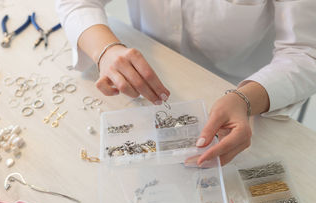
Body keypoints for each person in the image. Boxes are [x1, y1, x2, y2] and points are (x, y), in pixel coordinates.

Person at [56, 0, 316, 165]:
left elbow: (305, 54)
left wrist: (246, 99)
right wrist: (106, 50)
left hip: (243, 86)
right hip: (147, 67)